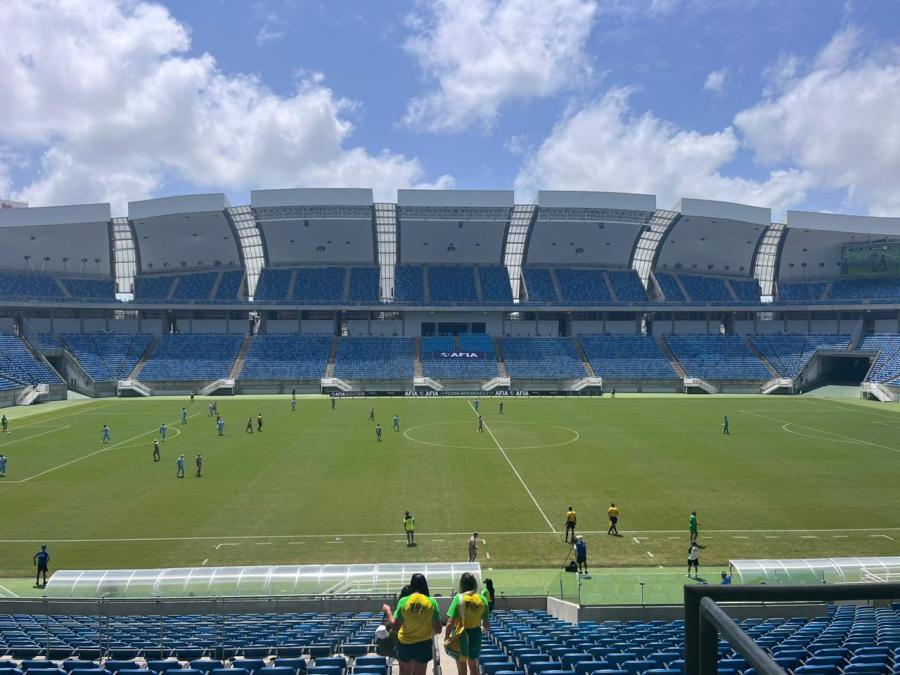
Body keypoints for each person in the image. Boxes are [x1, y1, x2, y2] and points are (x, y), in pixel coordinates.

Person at [383, 573, 440, 675]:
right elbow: (438, 629)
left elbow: (395, 627)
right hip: (423, 644)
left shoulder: (403, 601)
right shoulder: (432, 602)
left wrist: (388, 611)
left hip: (405, 645)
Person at [445, 572, 490, 675]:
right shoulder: (482, 599)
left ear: (462, 584)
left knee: (461, 666)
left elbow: (450, 622)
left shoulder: (458, 598)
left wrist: (446, 638)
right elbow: (487, 624)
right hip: (476, 635)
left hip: (460, 635)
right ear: (474, 584)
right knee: (473, 666)